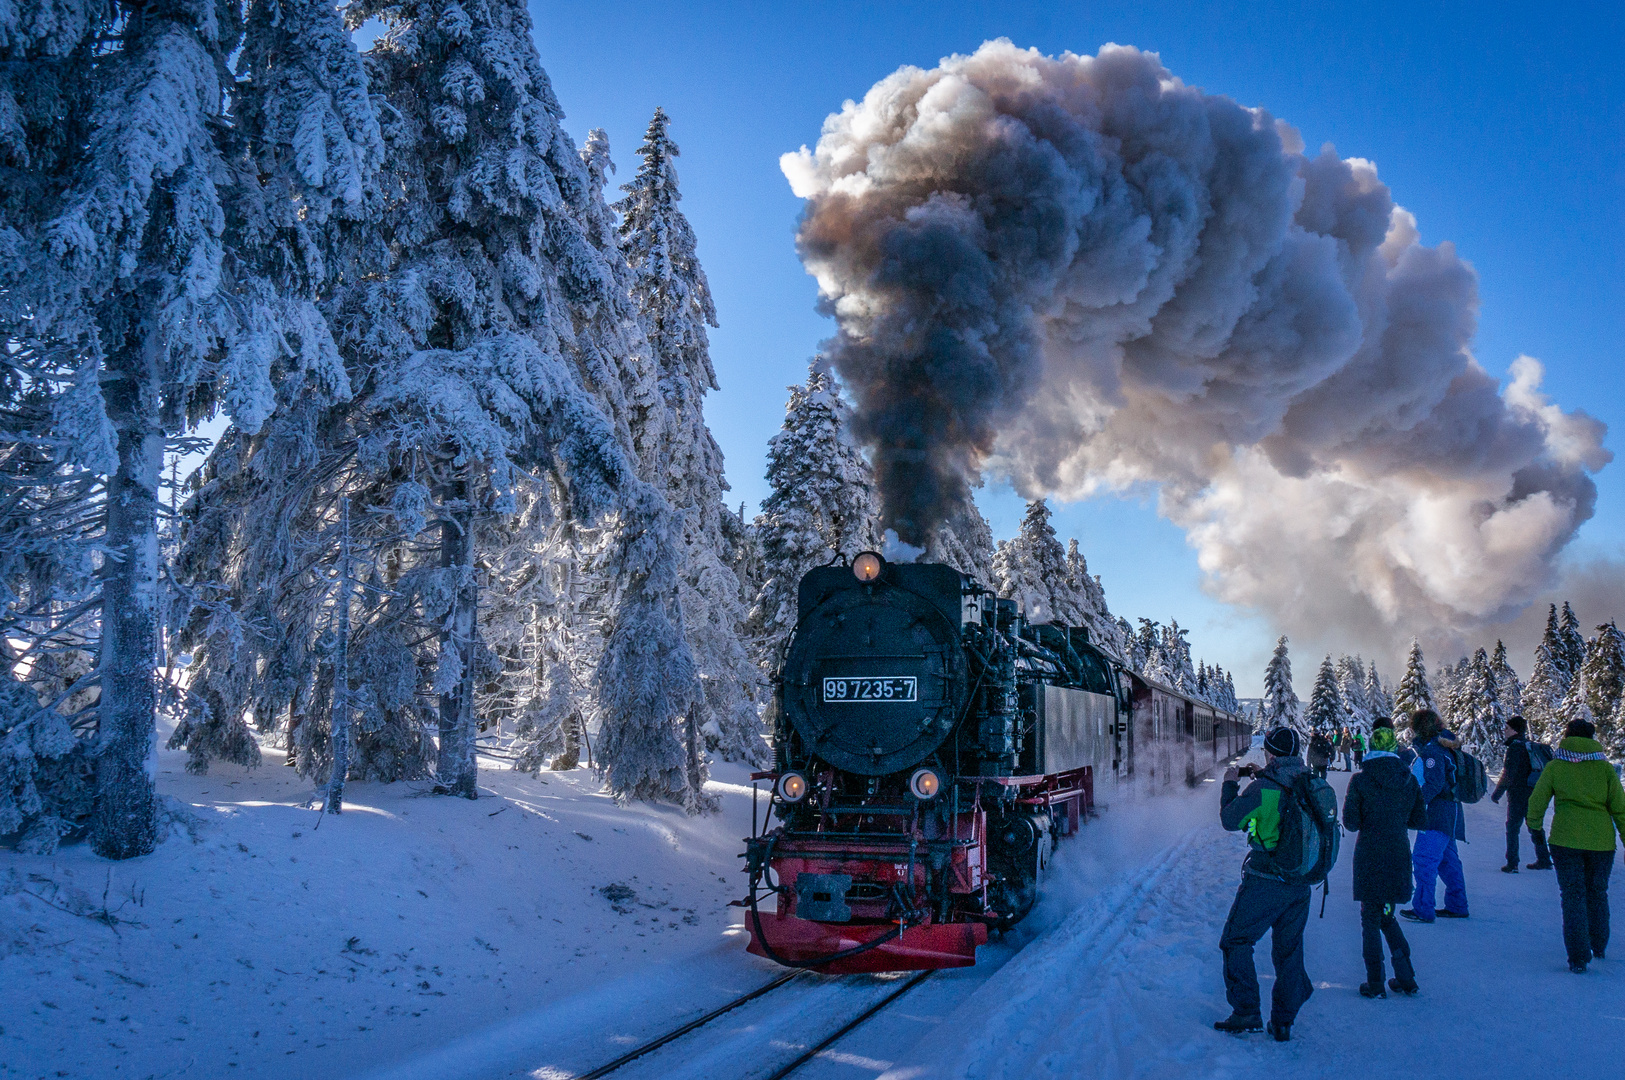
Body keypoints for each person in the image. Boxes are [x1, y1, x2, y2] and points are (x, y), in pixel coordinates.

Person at [1214, 727, 1314, 1042]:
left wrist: (1231, 784)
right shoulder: (1308, 782)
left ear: (1270, 754)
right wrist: (1263, 778)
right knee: (1289, 950)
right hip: (1301, 883)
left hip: (1266, 880)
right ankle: (1284, 1022)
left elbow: (1231, 820)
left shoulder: (1264, 789)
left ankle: (1246, 1011)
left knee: (1236, 940)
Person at [1526, 718, 1625, 973]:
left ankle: (1578, 957)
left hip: (1565, 840)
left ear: (1567, 735)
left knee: (1572, 895)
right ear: (1593, 738)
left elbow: (1537, 801)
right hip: (1601, 842)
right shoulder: (1604, 769)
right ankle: (1599, 943)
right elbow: (1620, 809)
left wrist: (1535, 825)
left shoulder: (1555, 766)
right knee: (1597, 892)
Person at [1343, 723, 1427, 997]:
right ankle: (1406, 977)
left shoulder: (1360, 780)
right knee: (1388, 917)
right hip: (1397, 855)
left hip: (1369, 855)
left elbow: (1351, 823)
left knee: (1370, 918)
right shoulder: (1408, 779)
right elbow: (1418, 820)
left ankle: (1375, 981)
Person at [1401, 709, 1469, 923]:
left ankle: (1423, 908)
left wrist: (1416, 806)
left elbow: (1434, 783)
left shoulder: (1432, 751)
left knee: (1424, 859)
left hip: (1436, 814)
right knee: (1448, 860)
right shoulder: (1444, 745)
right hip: (1451, 812)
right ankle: (1457, 904)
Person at [1490, 715, 1552, 873]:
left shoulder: (1515, 748)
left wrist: (1497, 794)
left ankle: (1512, 863)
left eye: (1507, 728)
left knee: (1512, 827)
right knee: (1534, 825)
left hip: (1518, 794)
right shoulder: (1528, 745)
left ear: (1514, 730)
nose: (1504, 731)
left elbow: (1508, 773)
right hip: (1533, 791)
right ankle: (1544, 859)